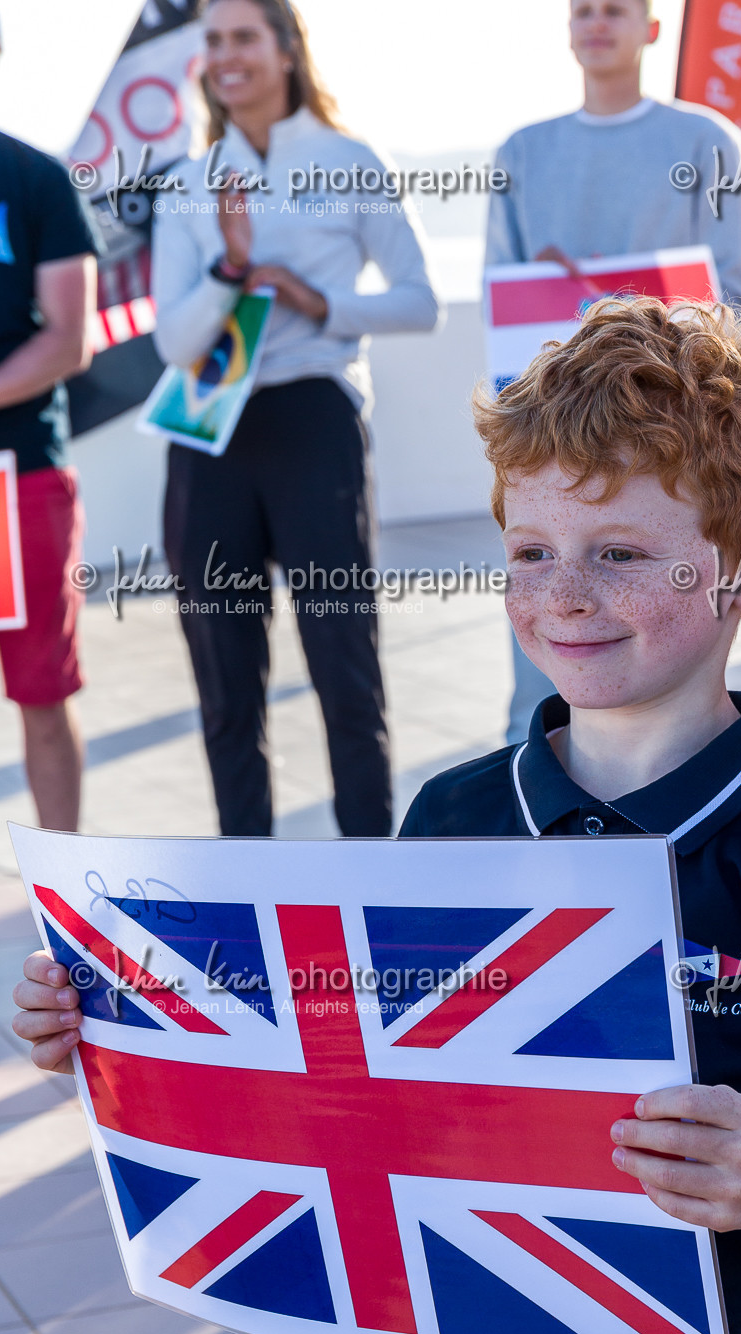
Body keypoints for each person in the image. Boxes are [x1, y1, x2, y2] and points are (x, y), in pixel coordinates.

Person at [14, 296, 741, 1334]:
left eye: (617, 552)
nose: (561, 594)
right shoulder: (451, 815)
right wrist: (108, 1033)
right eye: (529, 548)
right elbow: (335, 1076)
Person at [155, 0, 441, 838]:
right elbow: (176, 341)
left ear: (285, 50)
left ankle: (368, 867)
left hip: (315, 418)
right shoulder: (189, 181)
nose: (226, 54)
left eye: (244, 36)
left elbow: (420, 301)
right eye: (213, 40)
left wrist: (321, 302)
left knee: (343, 664)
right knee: (224, 678)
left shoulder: (350, 161)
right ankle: (247, 872)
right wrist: (231, 267)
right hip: (209, 432)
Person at [488, 0, 741, 742]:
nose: (596, 23)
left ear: (651, 29)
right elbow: (500, 316)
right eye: (583, 10)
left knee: (665, 654)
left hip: (668, 447)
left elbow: (734, 302)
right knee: (550, 639)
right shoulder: (521, 153)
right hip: (555, 443)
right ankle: (536, 812)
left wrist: (607, 314)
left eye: (615, 9)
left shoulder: (706, 141)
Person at [0, 1, 97, 830]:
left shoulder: (33, 179)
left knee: (40, 692)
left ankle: (67, 885)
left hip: (14, 479)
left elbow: (68, 339)